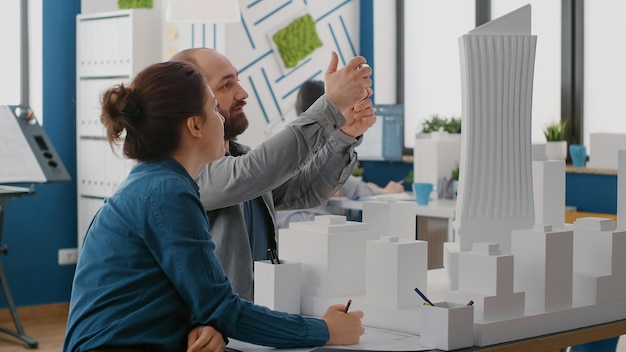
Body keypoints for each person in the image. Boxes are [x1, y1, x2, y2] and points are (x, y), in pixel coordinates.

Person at [64, 61, 365, 352]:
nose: (221, 118)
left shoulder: (159, 182)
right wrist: (325, 331)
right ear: (195, 125)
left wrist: (205, 322)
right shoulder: (168, 190)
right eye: (213, 108)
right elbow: (222, 307)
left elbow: (202, 300)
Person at [172, 48, 375, 301]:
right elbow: (257, 171)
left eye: (237, 80)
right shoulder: (184, 174)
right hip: (213, 331)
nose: (243, 94)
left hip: (255, 318)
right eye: (226, 85)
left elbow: (306, 189)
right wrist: (330, 105)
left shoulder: (239, 158)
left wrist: (345, 135)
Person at [276, 80, 404, 228]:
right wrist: (383, 191)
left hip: (283, 228)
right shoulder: (321, 138)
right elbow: (342, 182)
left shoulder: (292, 137)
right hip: (309, 224)